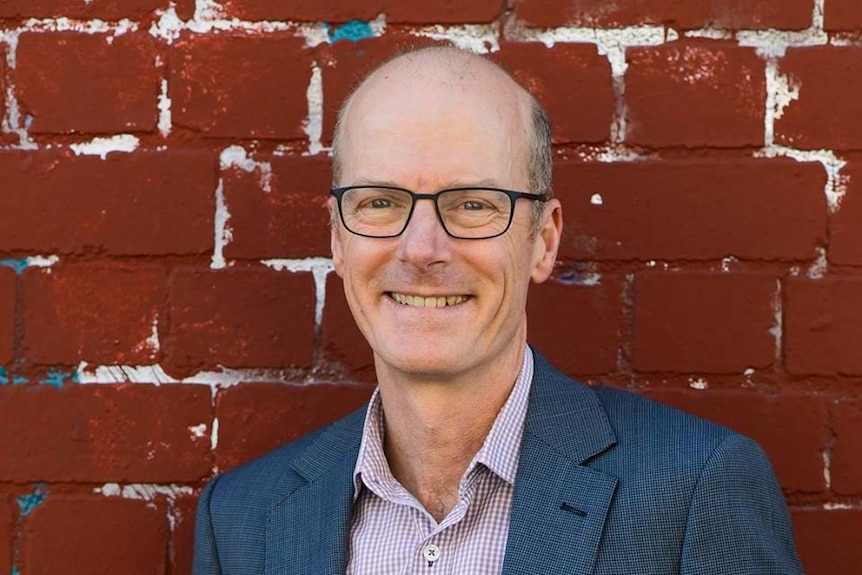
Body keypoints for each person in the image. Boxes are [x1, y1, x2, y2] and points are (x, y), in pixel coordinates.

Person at [192, 46, 803, 574]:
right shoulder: (242, 519)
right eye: (379, 201)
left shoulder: (695, 488)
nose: (422, 249)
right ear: (337, 241)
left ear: (543, 240)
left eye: (474, 205)